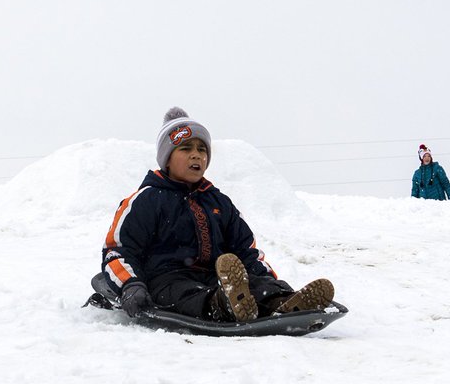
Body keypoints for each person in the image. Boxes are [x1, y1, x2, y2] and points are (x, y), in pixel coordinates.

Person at [100, 107, 335, 323]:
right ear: (167, 159)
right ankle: (221, 306)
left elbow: (246, 250)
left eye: (202, 149)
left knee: (255, 285)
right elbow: (118, 250)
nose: (196, 155)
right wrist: (131, 285)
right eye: (186, 148)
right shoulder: (148, 199)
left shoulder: (218, 202)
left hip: (220, 280)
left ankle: (280, 302)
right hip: (167, 278)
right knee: (184, 294)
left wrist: (269, 283)